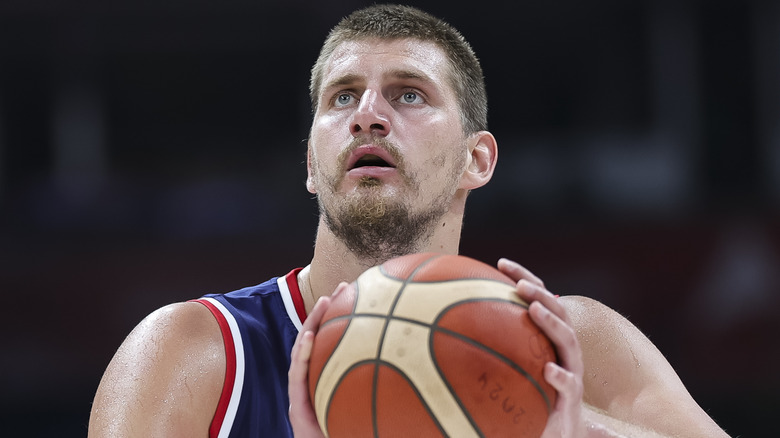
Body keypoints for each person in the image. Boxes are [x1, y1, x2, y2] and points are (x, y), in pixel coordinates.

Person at [89, 4, 730, 437]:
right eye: (343, 97)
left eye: (408, 94)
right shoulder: (196, 352)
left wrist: (570, 428)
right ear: (312, 164)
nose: (368, 114)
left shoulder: (571, 344)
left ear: (476, 159)